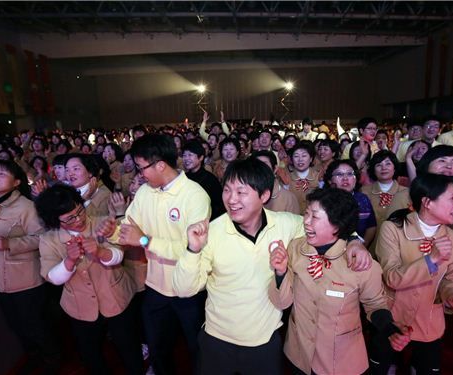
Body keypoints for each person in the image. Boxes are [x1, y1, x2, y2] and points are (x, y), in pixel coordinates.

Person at [172, 158, 372, 375]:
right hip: (217, 339)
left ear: (264, 196)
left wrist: (353, 239)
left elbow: (327, 228)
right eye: (227, 190)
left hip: (265, 342)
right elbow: (184, 290)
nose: (231, 199)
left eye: (241, 192)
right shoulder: (211, 232)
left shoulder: (286, 224)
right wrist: (193, 250)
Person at [268, 188, 410, 375]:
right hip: (299, 353)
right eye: (306, 214)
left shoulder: (361, 263)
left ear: (337, 225)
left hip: (340, 358)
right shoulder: (295, 249)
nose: (306, 221)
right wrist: (280, 272)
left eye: (315, 217)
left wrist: (388, 326)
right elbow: (282, 301)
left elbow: (375, 305)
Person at [102, 134, 211, 375]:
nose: (140, 174)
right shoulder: (145, 193)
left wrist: (144, 240)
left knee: (197, 348)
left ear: (160, 164)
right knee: (158, 347)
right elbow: (129, 227)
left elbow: (190, 248)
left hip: (188, 289)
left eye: (142, 168)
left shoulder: (195, 196)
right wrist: (113, 232)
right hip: (155, 286)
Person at [0, 160, 61, 374]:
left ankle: (53, 360)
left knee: (36, 324)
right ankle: (35, 356)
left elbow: (43, 237)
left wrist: (11, 243)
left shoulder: (25, 206)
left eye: (1, 173)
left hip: (25, 278)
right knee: (16, 325)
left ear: (17, 182)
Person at [35, 185, 143, 375]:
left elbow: (119, 254)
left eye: (80, 211)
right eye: (70, 218)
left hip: (115, 295)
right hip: (79, 304)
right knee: (90, 351)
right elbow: (52, 277)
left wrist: (101, 252)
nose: (79, 219)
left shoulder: (102, 223)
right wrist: (69, 261)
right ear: (54, 220)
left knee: (129, 345)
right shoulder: (49, 240)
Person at [376, 173, 453, 374]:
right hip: (393, 313)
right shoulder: (393, 229)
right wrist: (431, 259)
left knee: (425, 367)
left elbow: (451, 279)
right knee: (384, 366)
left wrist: (452, 295)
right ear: (427, 202)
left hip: (429, 318)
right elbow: (391, 277)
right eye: (451, 198)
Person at [324, 159, 377, 247]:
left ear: (355, 179)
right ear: (330, 180)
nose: (345, 178)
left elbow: (371, 226)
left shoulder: (363, 199)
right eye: (339, 174)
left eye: (349, 174)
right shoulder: (323, 201)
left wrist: (363, 245)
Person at [182, 139, 225, 220]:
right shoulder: (183, 178)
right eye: (184, 155)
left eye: (190, 155)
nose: (186, 158)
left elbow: (219, 207)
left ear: (201, 157)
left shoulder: (210, 180)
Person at [252, 150, 300, 215]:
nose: (260, 168)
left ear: (275, 169)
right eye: (256, 165)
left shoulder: (288, 198)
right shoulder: (246, 194)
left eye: (264, 164)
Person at [287, 141, 319, 214]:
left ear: (311, 159)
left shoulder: (318, 177)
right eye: (296, 156)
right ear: (292, 160)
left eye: (304, 156)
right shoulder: (286, 178)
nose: (300, 159)